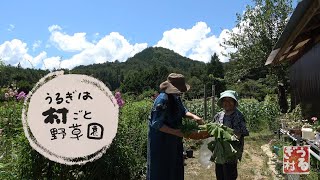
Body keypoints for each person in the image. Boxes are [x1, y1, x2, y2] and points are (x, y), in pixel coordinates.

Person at [147, 73, 206, 180]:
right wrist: (178, 132)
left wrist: (194, 117)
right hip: (161, 141)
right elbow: (156, 124)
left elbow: (183, 111)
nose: (180, 93)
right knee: (162, 169)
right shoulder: (162, 100)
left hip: (173, 139)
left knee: (175, 165)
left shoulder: (175, 97)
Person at [213, 90, 249, 180]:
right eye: (225, 100)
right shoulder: (218, 115)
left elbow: (239, 134)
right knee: (220, 173)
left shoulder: (238, 116)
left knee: (229, 174)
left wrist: (225, 135)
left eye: (230, 100)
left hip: (231, 151)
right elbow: (212, 130)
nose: (227, 103)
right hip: (219, 150)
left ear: (234, 102)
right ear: (221, 102)